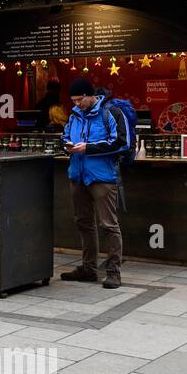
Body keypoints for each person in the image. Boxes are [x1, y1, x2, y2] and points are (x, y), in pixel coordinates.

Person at [60, 77, 127, 289]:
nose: (76, 104)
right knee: (83, 223)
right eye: (73, 100)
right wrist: (66, 146)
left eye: (80, 100)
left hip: (102, 177)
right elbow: (64, 137)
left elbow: (121, 143)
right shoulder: (73, 115)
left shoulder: (111, 112)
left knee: (108, 224)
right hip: (77, 175)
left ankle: (113, 271)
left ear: (91, 96)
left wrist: (87, 148)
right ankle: (88, 269)